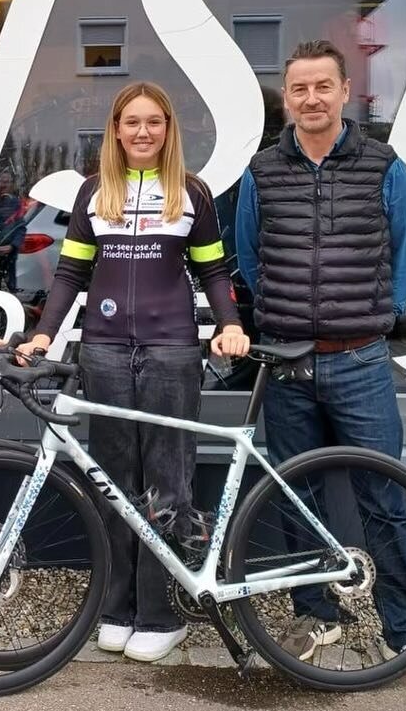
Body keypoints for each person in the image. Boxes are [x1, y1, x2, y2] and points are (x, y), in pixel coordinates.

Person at [234, 38, 406, 692]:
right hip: (287, 364)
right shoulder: (260, 170)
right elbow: (249, 258)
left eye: (320, 86)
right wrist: (282, 316)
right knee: (296, 494)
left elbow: (405, 256)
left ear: (343, 91)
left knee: (382, 498)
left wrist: (372, 318)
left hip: (360, 360)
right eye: (297, 88)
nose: (309, 98)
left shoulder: (384, 166)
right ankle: (315, 613)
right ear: (286, 96)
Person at [18, 81, 249, 663]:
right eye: (131, 122)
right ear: (116, 131)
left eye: (154, 122)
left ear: (168, 130)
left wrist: (229, 323)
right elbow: (70, 274)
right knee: (113, 480)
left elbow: (215, 271)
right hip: (104, 352)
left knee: (167, 482)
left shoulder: (190, 191)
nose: (142, 132)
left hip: (172, 351)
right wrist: (46, 331)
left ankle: (159, 613)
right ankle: (117, 608)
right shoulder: (95, 192)